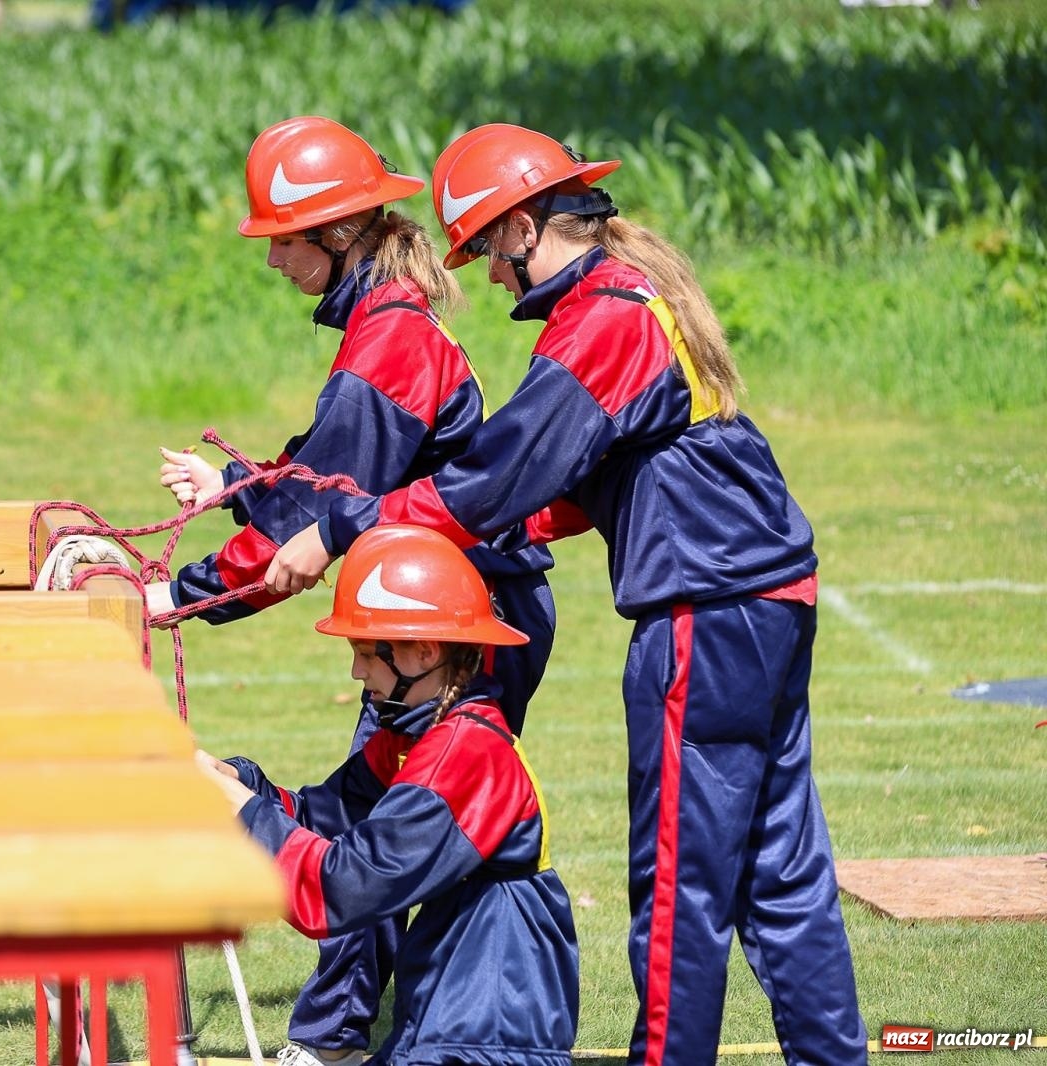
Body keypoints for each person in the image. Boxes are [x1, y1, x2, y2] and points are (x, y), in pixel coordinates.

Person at [265, 124, 868, 1065]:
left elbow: (499, 478)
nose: (493, 279)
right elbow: (578, 490)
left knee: (680, 890)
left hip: (704, 617)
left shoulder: (602, 320)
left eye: (487, 253)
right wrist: (493, 531)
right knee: (780, 875)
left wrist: (345, 526)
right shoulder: (640, 294)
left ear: (522, 223)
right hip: (769, 601)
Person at [145, 115, 560, 1066]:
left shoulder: (390, 342)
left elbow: (314, 532)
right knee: (372, 808)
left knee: (382, 827)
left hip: (456, 626)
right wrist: (234, 487)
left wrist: (182, 595)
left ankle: (338, 1037)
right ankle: (348, 1025)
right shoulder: (383, 325)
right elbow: (331, 483)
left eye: (280, 243)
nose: (272, 263)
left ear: (335, 235)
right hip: (429, 614)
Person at [196, 524, 579, 1066]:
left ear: (423, 651)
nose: (356, 672)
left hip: (488, 1037)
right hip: (446, 1022)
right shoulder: (418, 738)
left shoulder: (466, 757)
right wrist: (240, 786)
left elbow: (344, 890)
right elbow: (329, 819)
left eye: (366, 652)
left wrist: (247, 814)